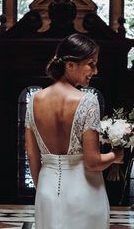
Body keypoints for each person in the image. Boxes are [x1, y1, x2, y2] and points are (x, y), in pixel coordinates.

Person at [25, 33, 123, 229]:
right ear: (70, 65)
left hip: (46, 189)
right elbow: (93, 162)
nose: (95, 71)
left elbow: (32, 156)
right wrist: (115, 155)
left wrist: (43, 188)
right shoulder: (88, 101)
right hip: (84, 190)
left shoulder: (34, 101)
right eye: (91, 64)